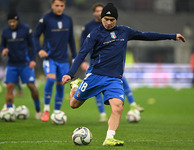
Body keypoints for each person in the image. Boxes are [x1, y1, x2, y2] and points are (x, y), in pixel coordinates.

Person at [62, 3, 185, 146]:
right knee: (73, 104)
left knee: (118, 106)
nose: (108, 22)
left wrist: (172, 36)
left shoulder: (124, 32)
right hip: (95, 75)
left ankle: (109, 138)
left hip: (114, 79)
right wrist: (70, 74)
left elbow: (146, 36)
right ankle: (75, 87)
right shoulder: (95, 34)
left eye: (112, 20)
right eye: (106, 19)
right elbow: (81, 54)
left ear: (116, 19)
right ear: (102, 18)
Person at [80, 3, 143, 122]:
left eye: (101, 11)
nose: (99, 13)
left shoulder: (119, 30)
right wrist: (82, 61)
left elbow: (144, 35)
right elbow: (82, 47)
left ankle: (133, 104)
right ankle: (102, 113)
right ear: (94, 13)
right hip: (95, 65)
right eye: (97, 11)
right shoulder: (90, 28)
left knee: (122, 81)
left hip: (112, 68)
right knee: (95, 90)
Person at [34, 0, 77, 122]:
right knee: (51, 79)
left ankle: (57, 111)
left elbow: (71, 39)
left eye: (62, 6)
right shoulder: (45, 19)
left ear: (64, 6)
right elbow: (35, 35)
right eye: (57, 5)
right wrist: (39, 50)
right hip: (50, 58)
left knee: (60, 84)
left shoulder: (68, 19)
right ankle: (46, 110)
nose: (59, 8)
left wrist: (75, 56)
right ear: (52, 5)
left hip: (63, 58)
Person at [0, 10, 41, 119]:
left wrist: (32, 60)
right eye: (10, 22)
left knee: (31, 86)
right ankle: (10, 112)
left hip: (25, 63)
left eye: (13, 21)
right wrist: (3, 49)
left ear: (17, 20)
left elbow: (32, 46)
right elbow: (2, 45)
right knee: (9, 87)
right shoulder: (5, 32)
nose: (12, 24)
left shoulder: (26, 30)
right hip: (12, 64)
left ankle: (38, 109)